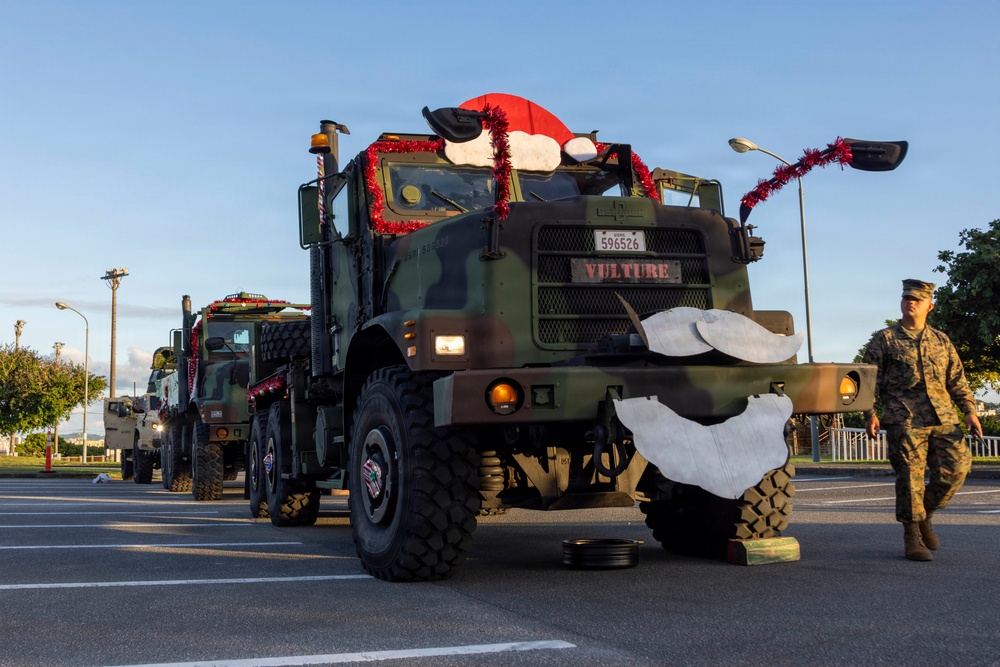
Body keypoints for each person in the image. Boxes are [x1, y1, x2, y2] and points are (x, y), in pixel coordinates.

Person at [862, 279, 983, 561]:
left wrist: (969, 411)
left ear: (930, 305)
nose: (910, 302)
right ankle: (912, 536)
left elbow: (957, 379)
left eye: (917, 299)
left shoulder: (941, 340)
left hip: (943, 417)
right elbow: (868, 381)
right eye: (906, 298)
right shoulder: (885, 339)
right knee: (910, 479)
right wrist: (870, 414)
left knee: (956, 472)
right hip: (904, 418)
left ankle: (924, 515)